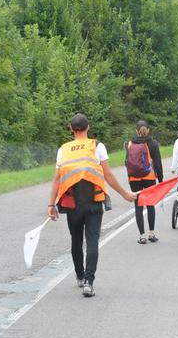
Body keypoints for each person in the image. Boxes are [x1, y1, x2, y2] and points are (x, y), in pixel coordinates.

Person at [48, 113, 136, 297]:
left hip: (72, 204)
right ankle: (89, 282)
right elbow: (108, 175)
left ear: (71, 130)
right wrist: (125, 194)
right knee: (93, 241)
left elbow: (57, 179)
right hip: (94, 202)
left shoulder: (63, 149)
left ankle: (80, 277)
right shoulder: (97, 146)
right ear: (88, 127)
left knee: (76, 240)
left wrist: (51, 205)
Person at [126, 120, 164, 244]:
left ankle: (142, 236)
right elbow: (157, 163)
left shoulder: (129, 143)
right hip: (149, 177)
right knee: (150, 205)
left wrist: (130, 176)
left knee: (138, 206)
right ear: (148, 130)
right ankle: (151, 234)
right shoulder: (153, 144)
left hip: (134, 179)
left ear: (136, 131)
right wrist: (161, 179)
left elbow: (127, 162)